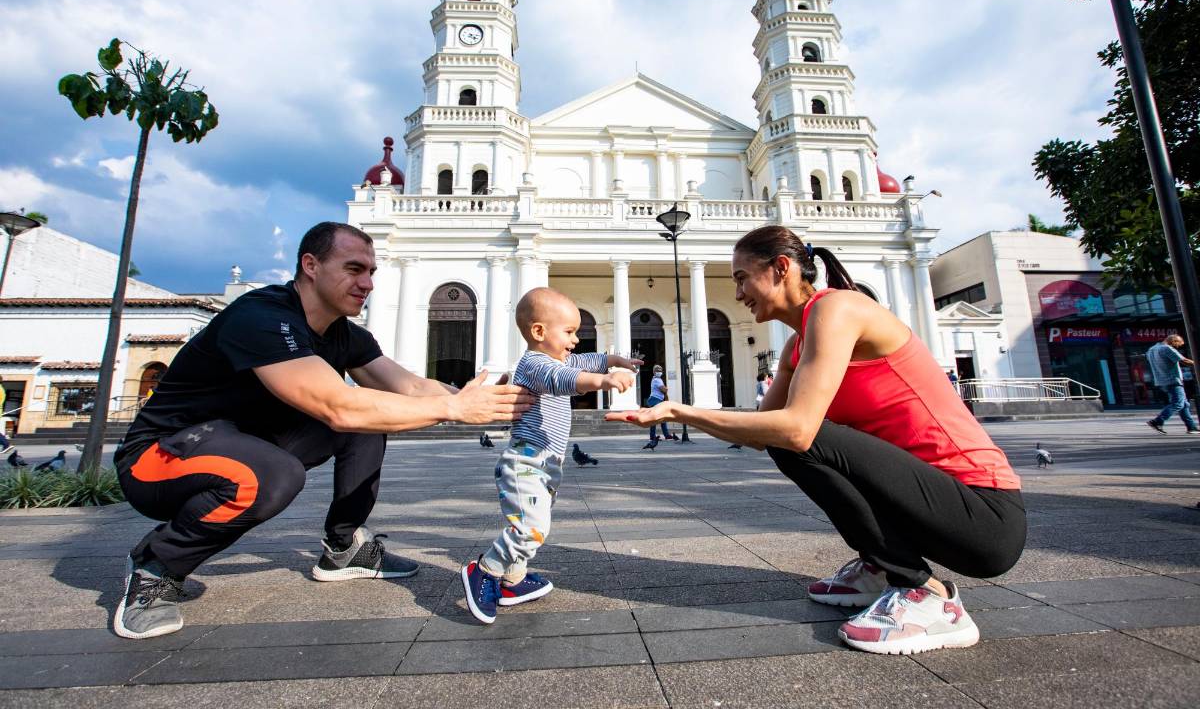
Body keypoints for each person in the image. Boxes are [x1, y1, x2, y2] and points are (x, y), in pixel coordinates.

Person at [608, 225, 1025, 655]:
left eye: (741, 277)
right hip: (929, 507)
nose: (738, 293)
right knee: (787, 436)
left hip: (984, 515)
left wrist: (679, 411)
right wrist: (673, 412)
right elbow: (761, 432)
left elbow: (796, 430)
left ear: (781, 268)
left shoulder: (838, 309)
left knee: (801, 435)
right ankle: (881, 568)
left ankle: (927, 595)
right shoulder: (796, 346)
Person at [111, 222, 534, 640]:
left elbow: (410, 388)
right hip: (160, 459)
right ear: (310, 265)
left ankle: (344, 546)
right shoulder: (261, 316)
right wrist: (455, 408)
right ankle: (156, 566)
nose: (366, 282)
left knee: (369, 420)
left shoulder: (344, 334)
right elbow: (336, 406)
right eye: (354, 269)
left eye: (371, 272)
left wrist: (489, 399)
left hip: (243, 443)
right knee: (276, 474)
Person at [461, 287, 638, 624]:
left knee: (529, 525)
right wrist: (604, 381)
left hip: (545, 465)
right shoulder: (535, 364)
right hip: (525, 463)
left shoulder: (559, 357)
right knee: (532, 526)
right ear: (539, 331)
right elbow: (564, 378)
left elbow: (584, 361)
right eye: (569, 332)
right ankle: (484, 570)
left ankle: (512, 582)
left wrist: (615, 360)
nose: (575, 339)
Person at [1146, 334, 1199, 435]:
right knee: (1178, 403)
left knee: (1184, 405)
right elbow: (1184, 360)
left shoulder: (1151, 349)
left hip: (1161, 381)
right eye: (1178, 345)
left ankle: (1191, 427)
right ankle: (1157, 421)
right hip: (1173, 380)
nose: (1178, 347)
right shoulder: (1167, 348)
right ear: (1173, 342)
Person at [646, 365, 678, 443]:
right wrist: (665, 389)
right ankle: (656, 436)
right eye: (657, 371)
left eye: (660, 371)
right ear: (654, 372)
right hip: (655, 400)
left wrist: (665, 390)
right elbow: (664, 389)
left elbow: (664, 390)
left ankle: (660, 435)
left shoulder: (657, 379)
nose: (659, 372)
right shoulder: (657, 380)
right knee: (656, 418)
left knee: (661, 418)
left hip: (657, 400)